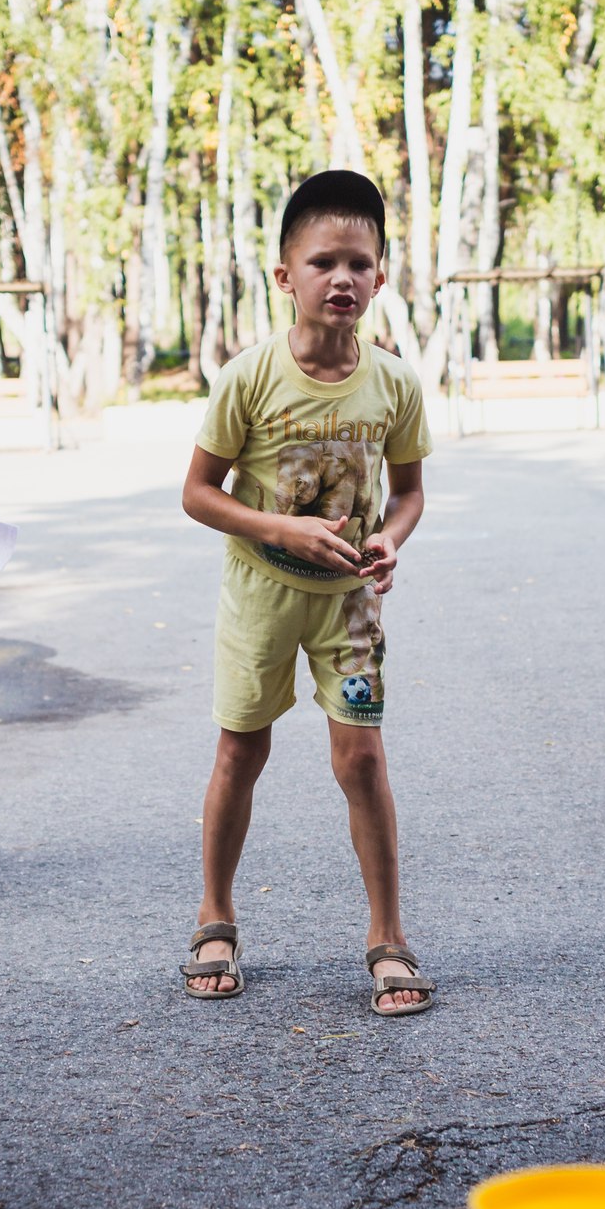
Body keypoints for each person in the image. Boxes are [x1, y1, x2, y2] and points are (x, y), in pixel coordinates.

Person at [179, 170, 435, 1016]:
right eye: (323, 262)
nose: (342, 279)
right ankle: (215, 916)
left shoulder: (394, 382)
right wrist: (280, 529)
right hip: (261, 593)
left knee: (362, 759)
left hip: (351, 605)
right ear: (286, 275)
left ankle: (388, 935)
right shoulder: (249, 377)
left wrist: (390, 538)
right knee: (240, 750)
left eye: (359, 263)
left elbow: (409, 493)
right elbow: (198, 493)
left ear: (381, 276)